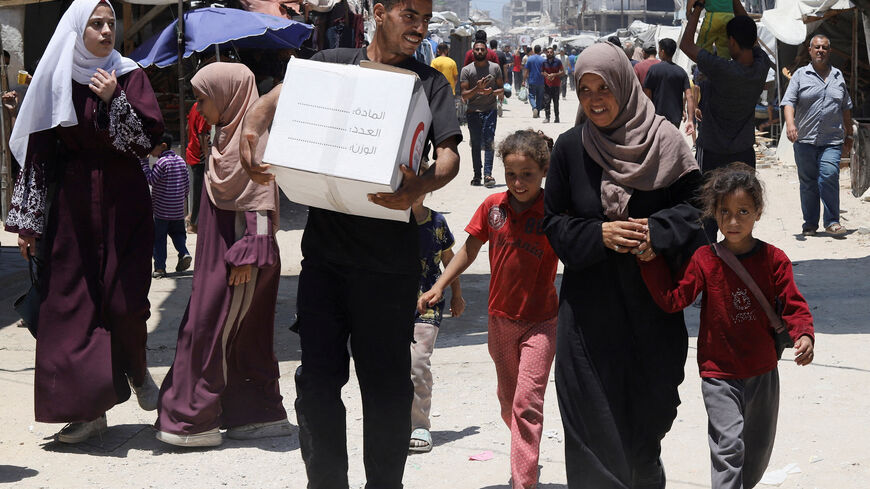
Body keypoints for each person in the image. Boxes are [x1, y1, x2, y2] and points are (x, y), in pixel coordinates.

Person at [240, 0, 462, 484]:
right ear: (379, 12)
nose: (420, 27)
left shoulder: (429, 83)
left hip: (390, 267)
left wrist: (419, 185)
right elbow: (274, 99)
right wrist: (253, 127)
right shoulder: (329, 65)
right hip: (325, 262)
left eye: (426, 19)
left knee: (385, 389)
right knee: (316, 383)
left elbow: (449, 158)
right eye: (410, 15)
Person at [544, 42, 704, 488]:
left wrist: (657, 233)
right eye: (585, 89)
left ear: (626, 86)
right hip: (588, 315)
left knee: (645, 426)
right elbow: (553, 222)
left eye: (605, 88)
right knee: (592, 426)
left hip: (649, 311)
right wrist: (598, 234)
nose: (595, 100)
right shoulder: (570, 149)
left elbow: (698, 211)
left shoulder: (668, 142)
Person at [5, 0, 163, 443]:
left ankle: (136, 368)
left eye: (111, 23)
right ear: (77, 29)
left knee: (125, 301)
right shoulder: (57, 77)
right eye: (96, 23)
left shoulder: (128, 74)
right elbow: (38, 156)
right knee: (72, 307)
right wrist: (28, 225)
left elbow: (147, 143)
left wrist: (115, 100)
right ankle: (89, 411)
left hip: (124, 202)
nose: (106, 31)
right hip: (73, 209)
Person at [639, 162, 815, 489]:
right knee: (729, 445)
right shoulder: (706, 259)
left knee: (757, 451)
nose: (733, 221)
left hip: (762, 370)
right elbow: (675, 298)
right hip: (718, 372)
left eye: (743, 211)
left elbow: (793, 303)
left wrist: (804, 333)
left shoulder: (774, 259)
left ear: (758, 212)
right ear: (714, 213)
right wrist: (652, 263)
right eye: (725, 212)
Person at [155, 62, 291, 448]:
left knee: (215, 333)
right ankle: (254, 415)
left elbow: (261, 205)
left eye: (203, 98)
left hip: (240, 262)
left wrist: (251, 254)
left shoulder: (252, 141)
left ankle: (196, 420)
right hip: (221, 258)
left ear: (227, 97)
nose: (198, 108)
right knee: (222, 333)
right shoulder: (224, 138)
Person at [419, 129, 559, 489]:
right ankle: (523, 451)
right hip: (500, 320)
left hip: (541, 321)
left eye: (527, 174)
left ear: (543, 171)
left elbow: (578, 249)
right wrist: (440, 285)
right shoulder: (493, 207)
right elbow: (468, 249)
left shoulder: (555, 211)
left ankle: (523, 480)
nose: (518, 182)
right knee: (508, 400)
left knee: (527, 403)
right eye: (511, 174)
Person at [680, 0, 770, 241]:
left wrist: (698, 7)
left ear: (731, 42)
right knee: (741, 214)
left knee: (709, 214)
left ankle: (709, 264)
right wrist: (733, 2)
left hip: (712, 154)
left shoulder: (722, 69)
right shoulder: (762, 66)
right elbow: (749, 34)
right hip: (743, 153)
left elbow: (686, 45)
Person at [408, 178, 465, 453]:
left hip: (428, 303)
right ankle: (395, 423)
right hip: (389, 305)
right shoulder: (388, 223)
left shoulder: (437, 222)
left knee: (417, 364)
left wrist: (456, 293)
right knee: (393, 366)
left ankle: (419, 425)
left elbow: (449, 259)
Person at [781, 34, 853, 237]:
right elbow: (789, 102)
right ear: (810, 51)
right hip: (804, 139)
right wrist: (790, 123)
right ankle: (810, 224)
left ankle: (832, 221)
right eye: (817, 47)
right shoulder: (800, 75)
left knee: (829, 175)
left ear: (829, 51)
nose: (820, 50)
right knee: (808, 182)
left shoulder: (838, 76)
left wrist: (849, 134)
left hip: (832, 140)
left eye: (824, 47)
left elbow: (846, 107)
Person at [140, 132, 192, 278]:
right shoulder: (181, 161)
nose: (151, 151)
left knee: (159, 239)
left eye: (152, 147)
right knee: (178, 234)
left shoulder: (162, 163)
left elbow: (151, 180)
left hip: (162, 211)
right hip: (177, 210)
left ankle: (160, 269)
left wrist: (144, 163)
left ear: (163, 146)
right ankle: (184, 252)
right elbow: (187, 184)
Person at [461, 39, 503, 188]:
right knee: (476, 144)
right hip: (473, 112)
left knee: (489, 142)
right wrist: (477, 89)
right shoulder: (466, 70)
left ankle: (488, 175)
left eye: (482, 49)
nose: (479, 52)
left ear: (487, 51)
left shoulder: (495, 68)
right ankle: (477, 175)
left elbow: (502, 90)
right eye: (477, 50)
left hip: (490, 110)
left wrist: (491, 91)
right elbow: (464, 95)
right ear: (473, 52)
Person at [643, 38, 695, 135]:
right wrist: (690, 119)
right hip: (675, 118)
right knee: (671, 145)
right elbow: (689, 96)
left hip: (657, 117)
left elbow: (647, 95)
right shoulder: (681, 72)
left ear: (662, 51)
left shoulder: (654, 70)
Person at [185, 101, 211, 233]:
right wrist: (206, 155)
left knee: (198, 190)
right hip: (198, 156)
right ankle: (193, 224)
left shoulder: (195, 106)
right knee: (199, 192)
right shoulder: (203, 108)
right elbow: (202, 133)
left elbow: (188, 127)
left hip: (193, 151)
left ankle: (192, 218)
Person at [541, 47, 564, 124]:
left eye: (551, 52)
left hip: (556, 85)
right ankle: (547, 117)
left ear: (553, 53)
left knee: (556, 102)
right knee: (547, 102)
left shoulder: (558, 62)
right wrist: (546, 75)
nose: (549, 53)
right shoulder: (544, 62)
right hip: (547, 85)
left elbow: (562, 72)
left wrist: (555, 74)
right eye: (548, 52)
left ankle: (557, 117)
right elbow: (542, 72)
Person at [523, 45, 545, 118]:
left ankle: (534, 107)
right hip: (541, 81)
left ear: (534, 50)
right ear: (540, 50)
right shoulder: (543, 59)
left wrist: (523, 80)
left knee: (531, 96)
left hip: (532, 80)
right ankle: (538, 112)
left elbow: (526, 71)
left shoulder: (530, 59)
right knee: (539, 97)